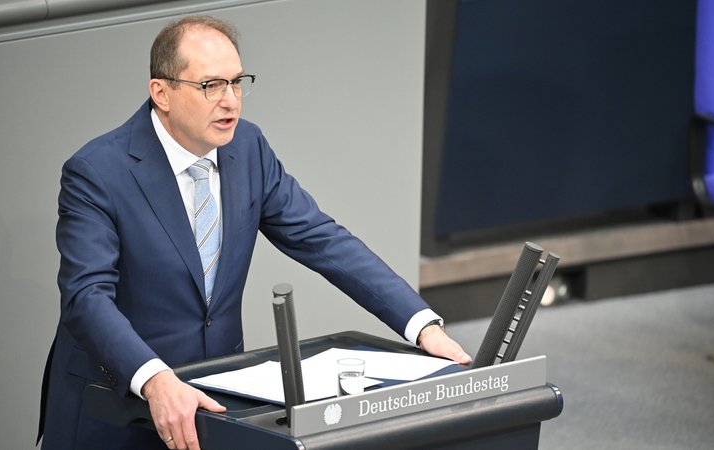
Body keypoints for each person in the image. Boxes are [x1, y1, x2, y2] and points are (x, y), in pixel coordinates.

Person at [38, 15, 471, 450]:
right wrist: (154, 380)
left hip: (216, 408)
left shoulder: (247, 148)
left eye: (237, 82)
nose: (230, 102)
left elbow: (320, 237)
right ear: (161, 93)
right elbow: (86, 297)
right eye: (211, 86)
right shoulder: (97, 172)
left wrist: (422, 326)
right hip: (116, 410)